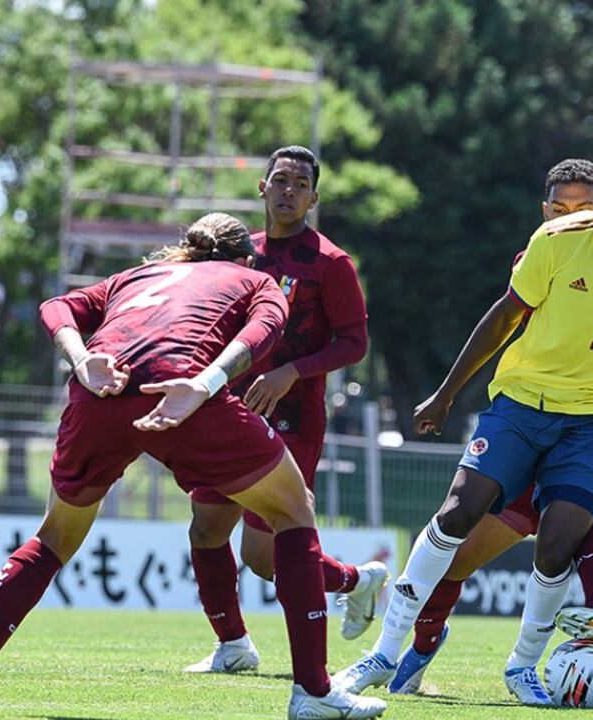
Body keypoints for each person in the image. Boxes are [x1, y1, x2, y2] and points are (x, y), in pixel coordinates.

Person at [335, 149, 593, 706]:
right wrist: (446, 394)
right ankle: (384, 654)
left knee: (559, 538)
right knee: (459, 510)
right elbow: (503, 316)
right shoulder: (557, 241)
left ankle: (521, 667)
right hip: (523, 402)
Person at [0, 214, 385, 719]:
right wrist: (206, 384)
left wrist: (80, 360)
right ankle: (314, 693)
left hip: (98, 391)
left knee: (53, 539)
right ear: (244, 257)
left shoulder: (135, 276)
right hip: (185, 392)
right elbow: (264, 330)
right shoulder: (256, 278)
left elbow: (55, 306)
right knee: (293, 510)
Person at [184, 146, 388, 675]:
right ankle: (233, 646)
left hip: (293, 417)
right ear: (262, 187)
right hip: (231, 410)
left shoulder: (330, 262)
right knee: (205, 528)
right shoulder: (241, 255)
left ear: (314, 198)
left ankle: (354, 581)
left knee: (260, 555)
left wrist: (291, 372)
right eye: (280, 180)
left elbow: (354, 343)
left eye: (300, 183)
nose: (289, 190)